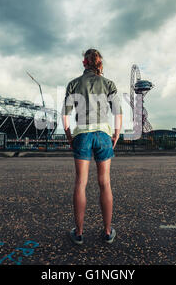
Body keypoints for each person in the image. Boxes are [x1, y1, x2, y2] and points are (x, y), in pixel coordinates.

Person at [62, 48, 123, 245]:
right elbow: (118, 113)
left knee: (81, 183)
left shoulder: (73, 84)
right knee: (104, 183)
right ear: (99, 63)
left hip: (82, 134)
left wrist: (69, 135)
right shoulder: (109, 84)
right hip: (103, 134)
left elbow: (65, 115)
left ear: (84, 63)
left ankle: (79, 233)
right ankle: (107, 231)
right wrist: (116, 133)